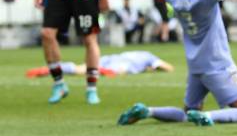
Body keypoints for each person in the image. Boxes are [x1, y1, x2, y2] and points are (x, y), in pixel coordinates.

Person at [26, 51, 173, 77]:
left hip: (112, 57)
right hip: (122, 64)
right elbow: (168, 67)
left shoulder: (143, 53)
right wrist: (150, 69)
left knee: (81, 68)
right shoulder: (151, 57)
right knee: (118, 72)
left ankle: (52, 68)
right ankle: (99, 71)